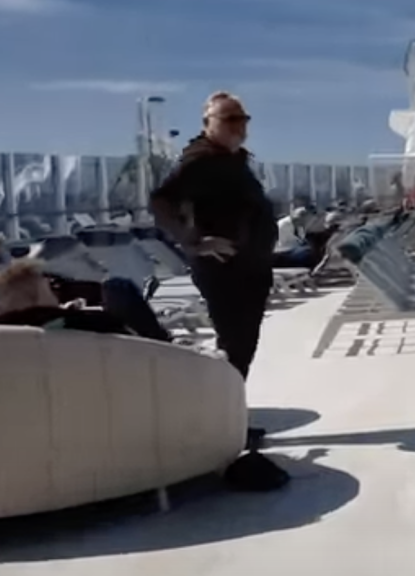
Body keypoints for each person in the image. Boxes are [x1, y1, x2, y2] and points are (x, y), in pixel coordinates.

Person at [148, 91, 290, 488]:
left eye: (243, 119)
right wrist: (195, 242)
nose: (239, 127)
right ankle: (222, 424)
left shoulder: (233, 160)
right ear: (208, 123)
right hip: (224, 270)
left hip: (250, 267)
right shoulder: (201, 159)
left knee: (243, 345)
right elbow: (161, 202)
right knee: (234, 344)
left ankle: (232, 420)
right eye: (229, 120)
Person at [0, 257, 172, 341]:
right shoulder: (70, 322)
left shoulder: (11, 337)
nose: (58, 292)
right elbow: (112, 325)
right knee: (117, 287)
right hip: (148, 351)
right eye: (52, 287)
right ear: (35, 298)